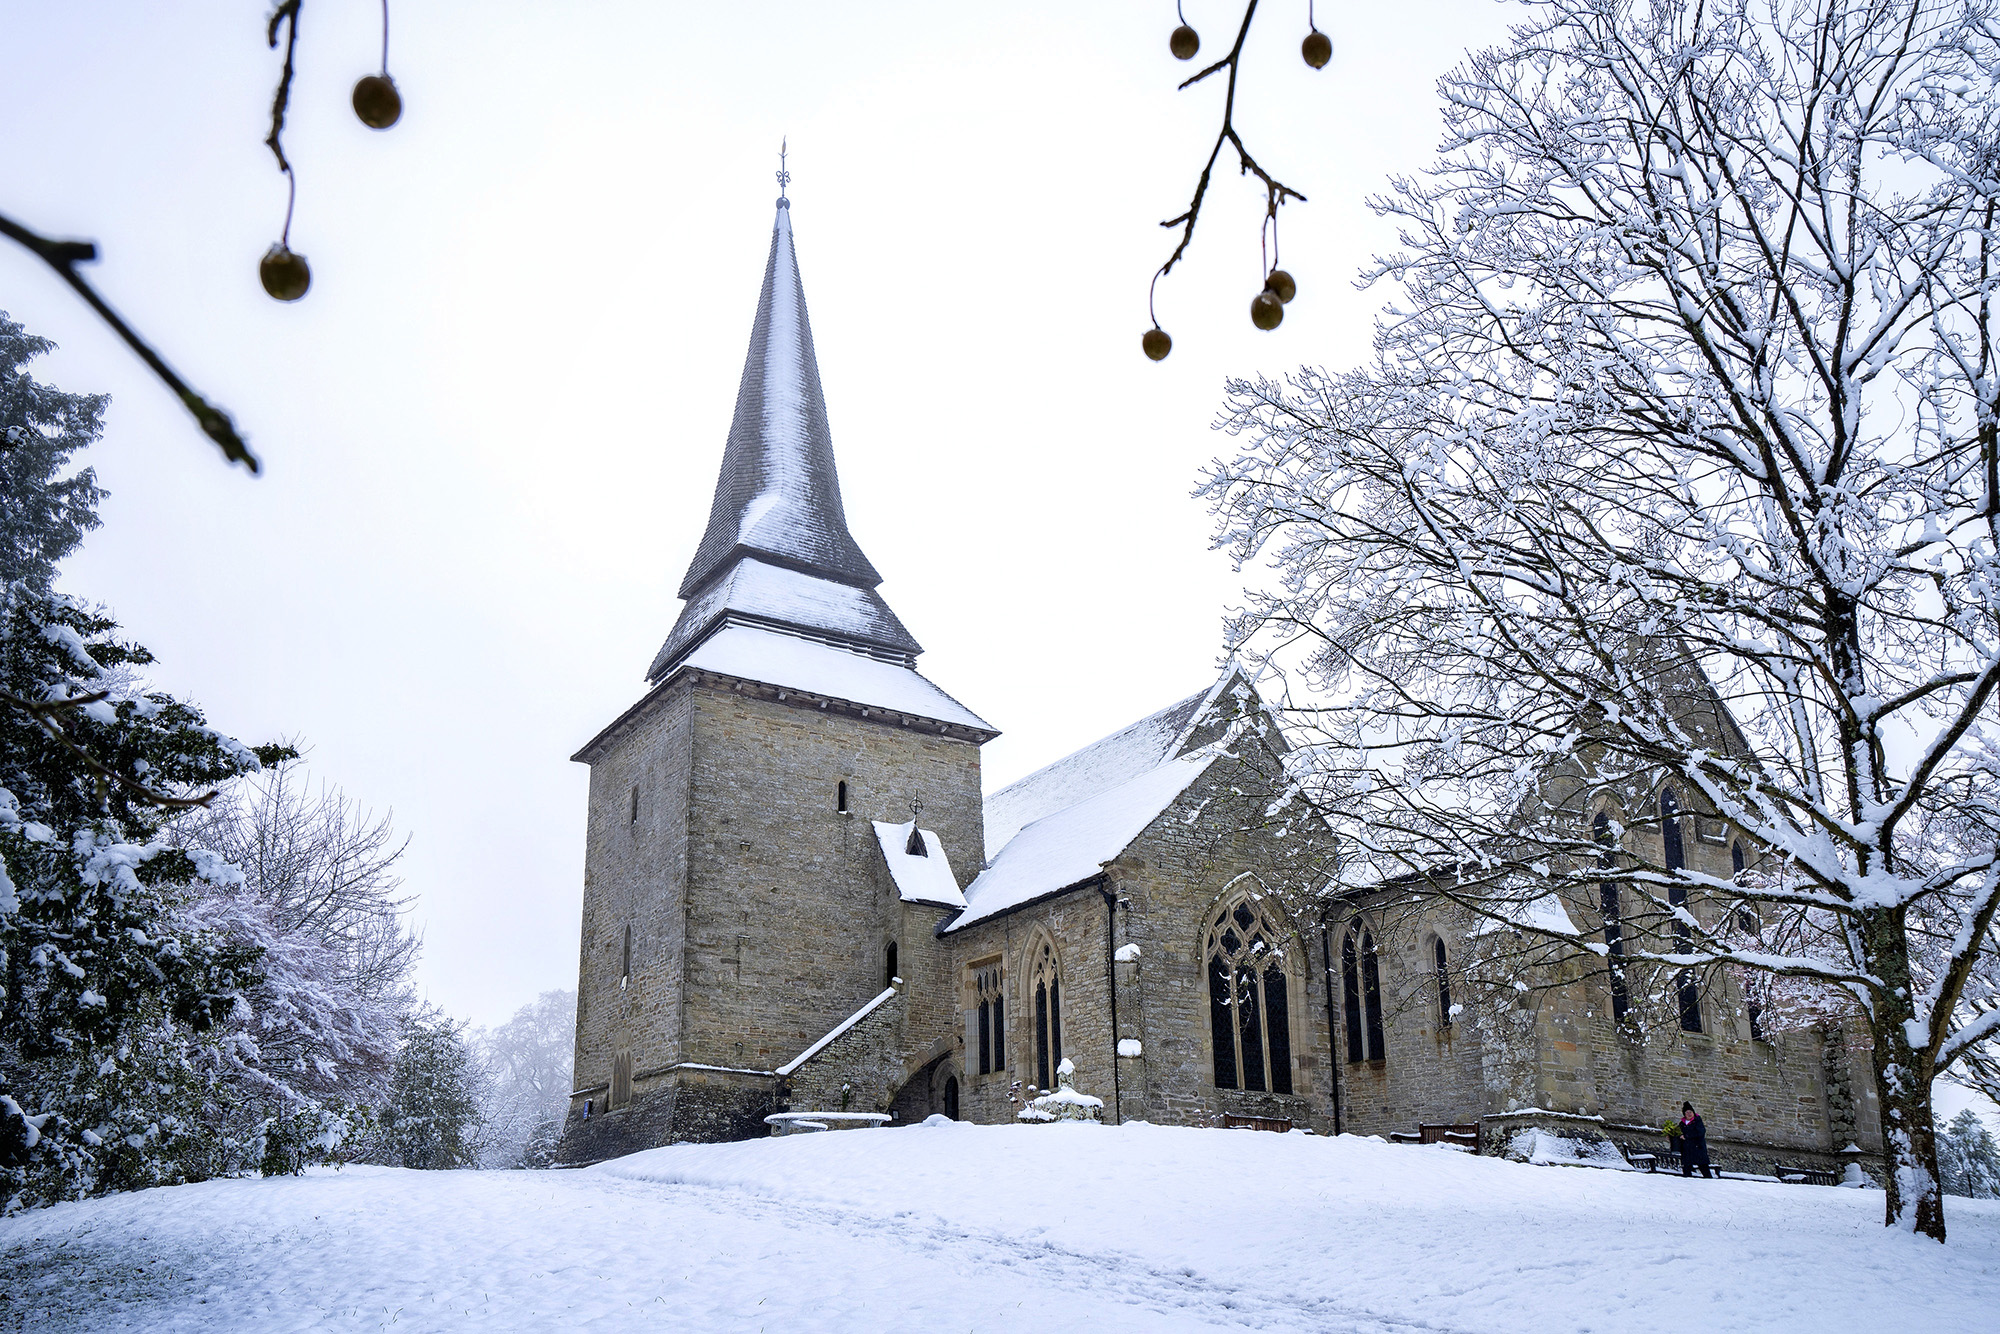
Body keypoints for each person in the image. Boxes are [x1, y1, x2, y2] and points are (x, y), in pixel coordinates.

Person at [1678, 1101, 1713, 1178]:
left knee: (1703, 1167)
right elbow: (1678, 1133)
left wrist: (1687, 1136)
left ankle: (1710, 1181)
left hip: (1698, 1148)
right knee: (1686, 1168)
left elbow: (1700, 1132)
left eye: (1690, 1112)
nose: (1689, 1114)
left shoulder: (1697, 1121)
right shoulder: (1682, 1124)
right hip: (1687, 1149)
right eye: (1687, 1112)